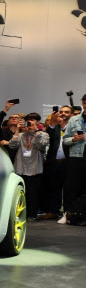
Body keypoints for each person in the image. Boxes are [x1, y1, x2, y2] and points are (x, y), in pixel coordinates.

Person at [8, 113, 50, 220]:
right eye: (29, 120)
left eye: (33, 120)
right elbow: (12, 146)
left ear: (38, 122)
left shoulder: (44, 135)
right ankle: (20, 214)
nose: (30, 122)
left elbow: (41, 145)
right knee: (20, 192)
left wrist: (36, 130)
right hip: (20, 167)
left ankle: (31, 214)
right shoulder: (21, 135)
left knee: (33, 194)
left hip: (35, 168)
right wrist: (17, 130)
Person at [39, 106, 72, 221]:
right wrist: (52, 123)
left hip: (69, 162)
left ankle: (68, 212)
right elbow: (47, 137)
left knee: (68, 188)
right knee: (53, 188)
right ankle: (52, 211)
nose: (63, 113)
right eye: (61, 111)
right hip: (54, 162)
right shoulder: (54, 128)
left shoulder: (72, 128)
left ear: (71, 114)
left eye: (66, 112)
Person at [62, 94, 86, 224]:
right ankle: (71, 215)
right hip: (76, 157)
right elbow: (65, 140)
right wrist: (74, 139)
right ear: (82, 103)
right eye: (85, 103)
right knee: (73, 188)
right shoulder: (74, 120)